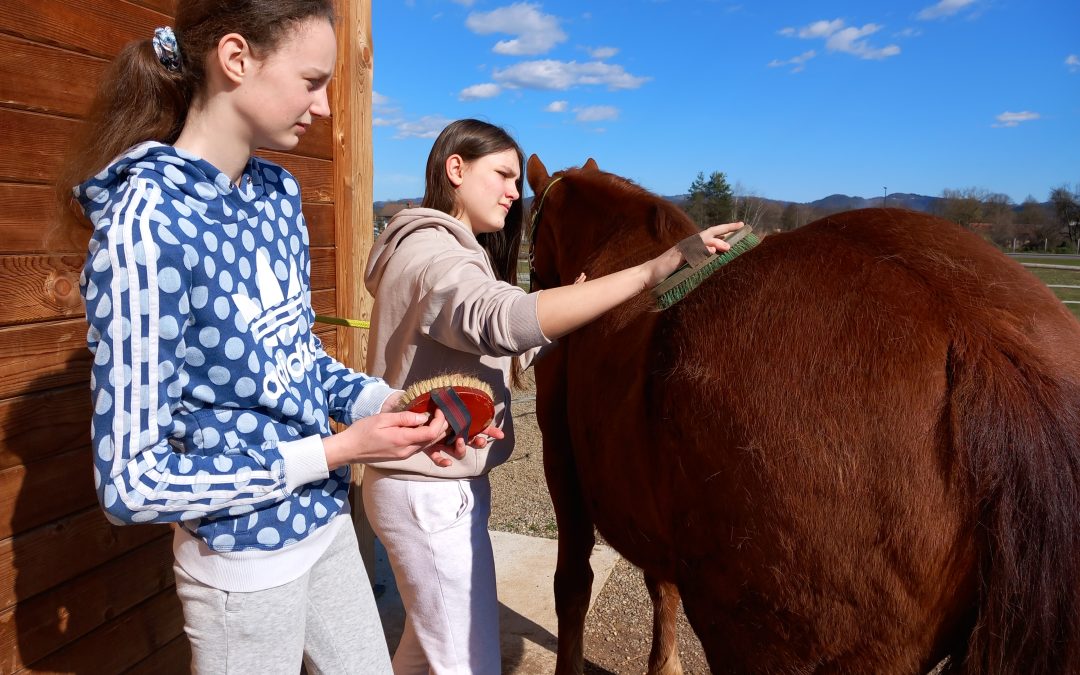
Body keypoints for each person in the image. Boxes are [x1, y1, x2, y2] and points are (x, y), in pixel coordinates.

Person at [60, 3, 491, 672]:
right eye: (312, 80)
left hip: (324, 527)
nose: (321, 107)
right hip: (241, 570)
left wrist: (395, 407)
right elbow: (131, 484)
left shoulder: (277, 193)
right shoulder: (145, 228)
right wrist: (336, 449)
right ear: (236, 60)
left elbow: (296, 360)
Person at [362, 118, 743, 674]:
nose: (516, 191)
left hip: (419, 480)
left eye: (519, 179)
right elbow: (497, 317)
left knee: (425, 653)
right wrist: (651, 271)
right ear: (456, 169)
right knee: (465, 662)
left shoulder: (419, 247)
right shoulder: (439, 256)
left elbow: (487, 345)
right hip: (430, 493)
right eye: (504, 174)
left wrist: (562, 314)